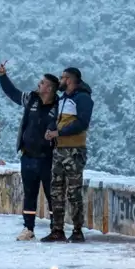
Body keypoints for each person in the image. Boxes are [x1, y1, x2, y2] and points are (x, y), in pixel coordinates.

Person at [0, 61, 60, 241]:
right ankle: (28, 228)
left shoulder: (59, 106)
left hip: (49, 158)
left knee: (52, 195)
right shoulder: (31, 98)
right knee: (29, 193)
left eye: (42, 83)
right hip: (28, 156)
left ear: (49, 88)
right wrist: (2, 77)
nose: (38, 85)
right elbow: (13, 93)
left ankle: (56, 228)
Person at [41, 66, 94, 243]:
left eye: (62, 78)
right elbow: (56, 119)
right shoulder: (63, 99)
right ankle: (57, 229)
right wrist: (50, 131)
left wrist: (59, 133)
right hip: (59, 150)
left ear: (70, 80)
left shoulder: (83, 98)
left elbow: (82, 123)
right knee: (56, 191)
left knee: (73, 192)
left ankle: (78, 230)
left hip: (74, 151)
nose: (60, 81)